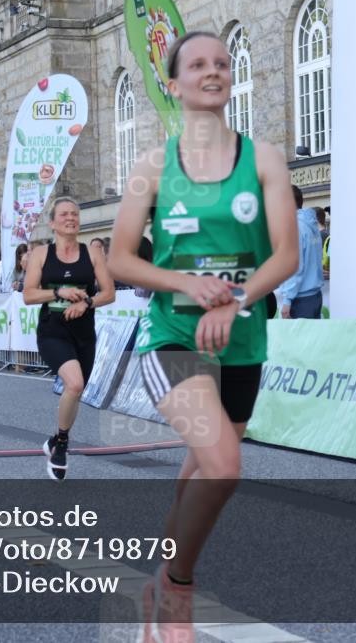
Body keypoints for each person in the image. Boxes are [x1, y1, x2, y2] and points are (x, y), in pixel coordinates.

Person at [107, 31, 298, 641]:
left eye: (221, 62)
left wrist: (238, 296)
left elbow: (286, 257)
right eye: (197, 64)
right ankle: (176, 589)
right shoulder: (153, 167)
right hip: (173, 336)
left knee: (198, 468)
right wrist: (187, 285)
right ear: (174, 83)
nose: (212, 71)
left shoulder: (263, 158)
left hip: (242, 341)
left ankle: (158, 575)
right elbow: (118, 260)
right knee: (222, 466)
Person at [23, 197, 114, 480]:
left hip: (84, 332)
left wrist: (86, 302)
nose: (71, 218)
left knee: (77, 390)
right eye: (64, 214)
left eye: (75, 213)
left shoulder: (93, 253)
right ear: (52, 222)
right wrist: (58, 293)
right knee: (73, 382)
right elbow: (28, 295)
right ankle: (62, 444)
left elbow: (108, 293)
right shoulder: (40, 254)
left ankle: (55, 439)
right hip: (53, 330)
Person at [280, 184, 324, 319]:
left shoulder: (294, 227)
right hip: (314, 295)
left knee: (295, 340)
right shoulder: (310, 224)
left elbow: (295, 267)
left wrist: (287, 300)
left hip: (300, 300)